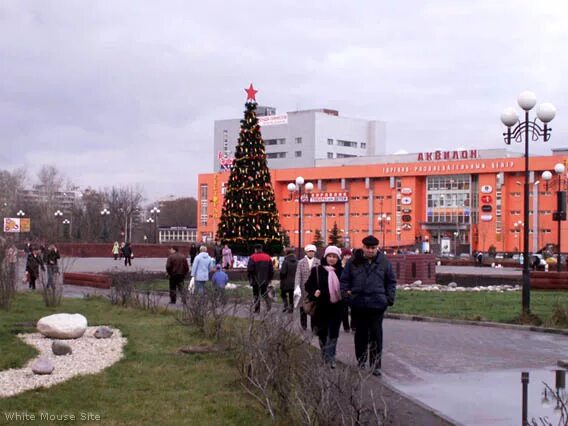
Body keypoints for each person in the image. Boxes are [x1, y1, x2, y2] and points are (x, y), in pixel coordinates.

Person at [340, 235, 397, 377]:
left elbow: (391, 281)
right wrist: (347, 296)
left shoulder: (384, 262)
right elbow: (345, 280)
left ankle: (375, 365)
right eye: (368, 248)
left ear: (377, 248)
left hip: (377, 304)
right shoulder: (353, 261)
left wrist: (389, 299)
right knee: (360, 335)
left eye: (373, 248)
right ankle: (361, 361)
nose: (370, 251)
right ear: (363, 247)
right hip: (358, 303)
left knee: (376, 336)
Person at [305, 245, 344, 368]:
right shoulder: (317, 270)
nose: (332, 259)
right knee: (322, 333)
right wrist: (314, 292)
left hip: (337, 307)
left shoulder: (342, 272)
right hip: (321, 307)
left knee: (333, 334)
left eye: (334, 257)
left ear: (338, 258)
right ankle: (324, 356)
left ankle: (331, 358)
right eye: (330, 256)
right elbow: (308, 285)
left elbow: (347, 286)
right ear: (325, 257)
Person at [294, 244, 320, 330]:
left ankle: (314, 326)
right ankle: (303, 325)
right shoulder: (301, 262)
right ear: (306, 252)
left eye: (312, 251)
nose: (311, 253)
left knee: (313, 306)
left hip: (313, 288)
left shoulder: (318, 262)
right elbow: (298, 275)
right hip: (303, 287)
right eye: (309, 251)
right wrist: (297, 286)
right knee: (303, 306)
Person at [247, 244, 274, 313]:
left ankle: (257, 309)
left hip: (255, 280)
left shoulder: (252, 257)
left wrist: (250, 278)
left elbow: (250, 269)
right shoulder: (267, 257)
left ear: (255, 249)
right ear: (261, 249)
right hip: (265, 280)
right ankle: (268, 305)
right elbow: (271, 270)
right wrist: (269, 279)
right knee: (264, 293)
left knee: (256, 295)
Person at [279, 248, 298, 313]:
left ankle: (285, 305)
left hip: (285, 282)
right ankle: (291, 308)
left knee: (283, 294)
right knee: (291, 295)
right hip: (294, 282)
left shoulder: (286, 261)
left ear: (287, 253)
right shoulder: (297, 261)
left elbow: (283, 272)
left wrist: (281, 278)